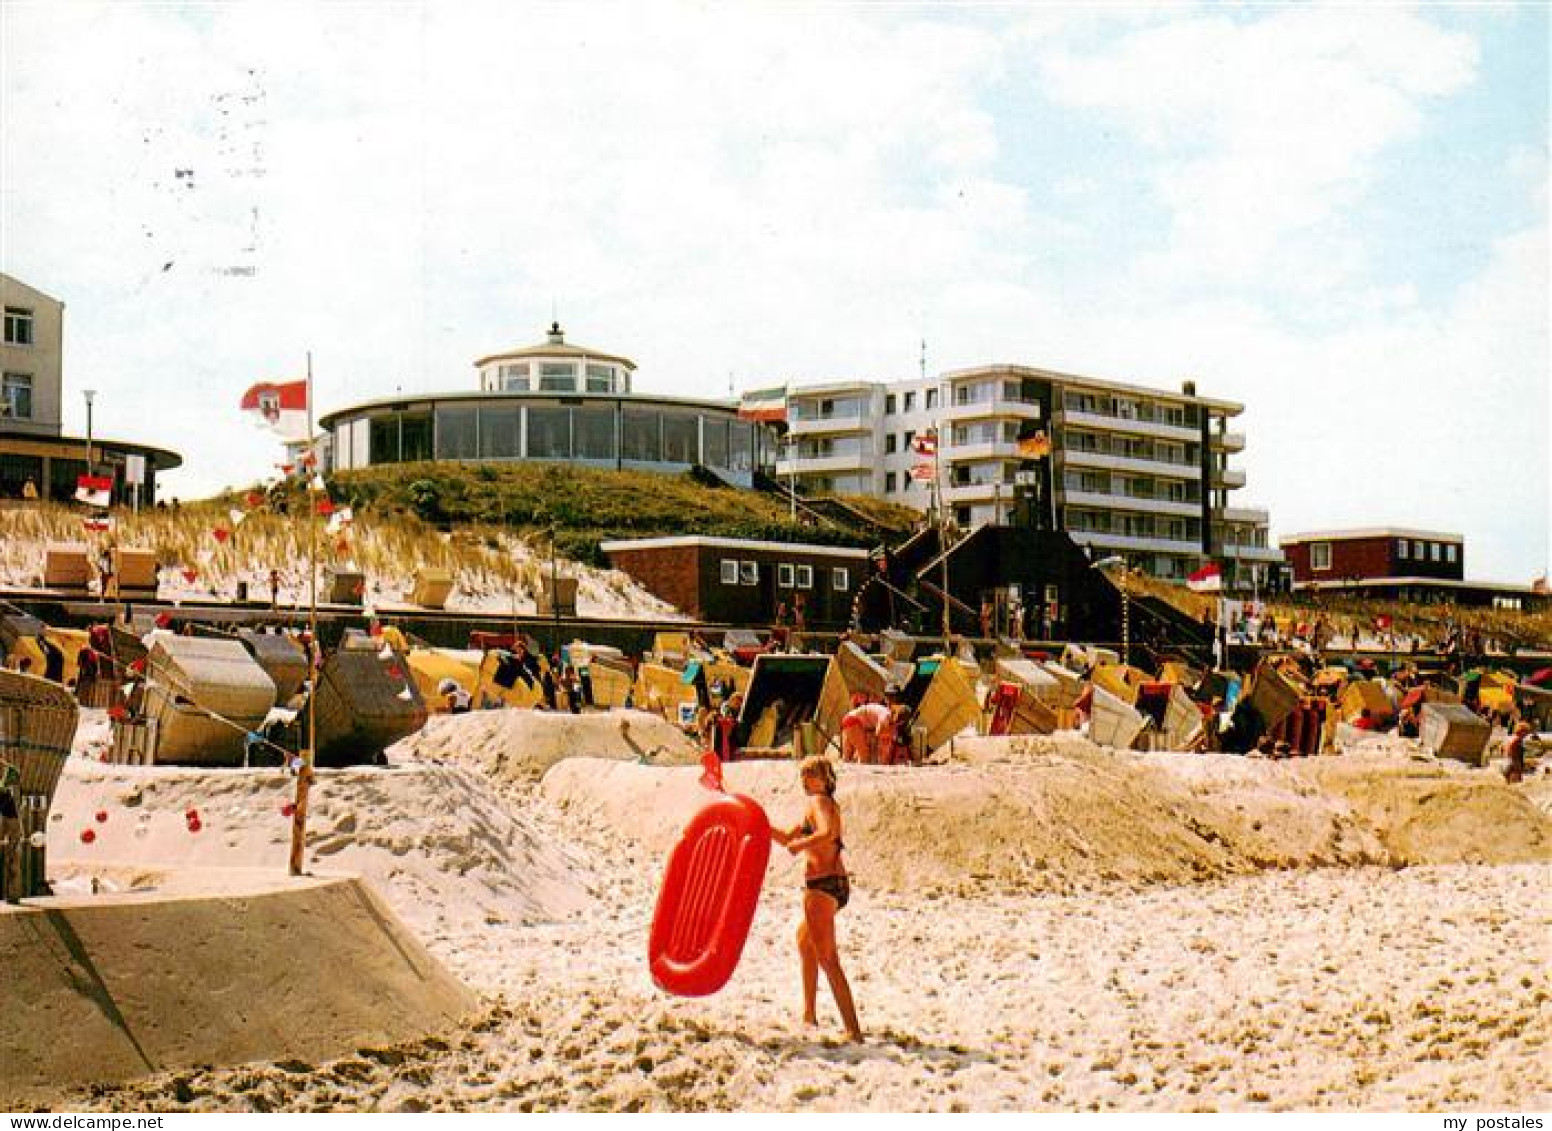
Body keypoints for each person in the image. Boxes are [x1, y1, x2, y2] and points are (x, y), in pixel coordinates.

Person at [770, 756, 863, 1043]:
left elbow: (825, 834)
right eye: (803, 775)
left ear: (825, 779)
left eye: (811, 774)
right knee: (804, 941)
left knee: (828, 958)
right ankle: (809, 1015)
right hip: (835, 884)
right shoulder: (822, 805)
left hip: (822, 885)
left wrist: (801, 845)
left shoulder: (819, 802)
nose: (805, 780)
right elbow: (786, 837)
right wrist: (759, 822)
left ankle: (853, 1031)